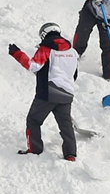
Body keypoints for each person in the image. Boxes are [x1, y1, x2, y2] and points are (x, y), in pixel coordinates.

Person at [10, 22, 80, 161]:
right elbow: (75, 74)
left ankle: (35, 149)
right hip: (67, 93)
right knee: (65, 124)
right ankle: (70, 154)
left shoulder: (46, 49)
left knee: (34, 120)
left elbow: (32, 66)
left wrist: (16, 53)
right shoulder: (73, 52)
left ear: (43, 34)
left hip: (47, 93)